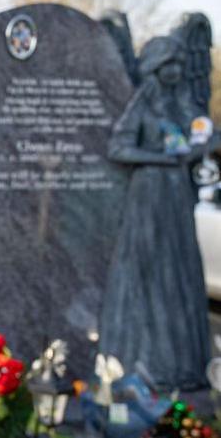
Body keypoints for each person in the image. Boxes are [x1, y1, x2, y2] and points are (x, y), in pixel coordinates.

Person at [98, 35, 212, 390]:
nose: (176, 71)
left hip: (177, 197)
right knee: (150, 272)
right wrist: (160, 158)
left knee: (178, 272)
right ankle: (145, 358)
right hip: (149, 197)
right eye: (169, 65)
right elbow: (119, 148)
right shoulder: (143, 106)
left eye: (179, 64)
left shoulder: (186, 107)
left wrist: (205, 143)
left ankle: (182, 361)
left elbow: (201, 139)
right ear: (156, 68)